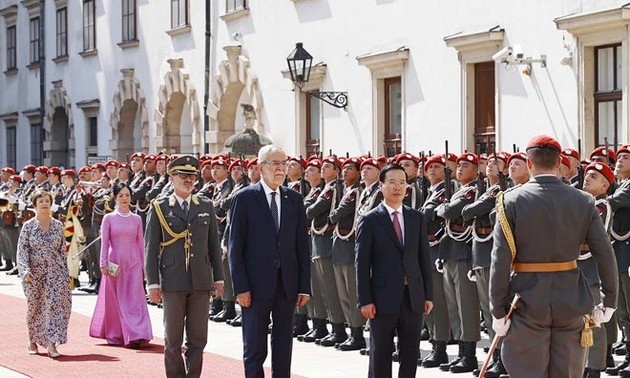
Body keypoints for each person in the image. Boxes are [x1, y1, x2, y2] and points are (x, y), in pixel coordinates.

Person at [490, 135, 619, 377]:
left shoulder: (509, 199)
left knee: (528, 371)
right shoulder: (583, 200)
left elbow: (500, 259)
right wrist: (609, 301)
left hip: (527, 299)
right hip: (570, 296)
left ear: (529, 163)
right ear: (559, 162)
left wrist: (497, 310)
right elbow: (604, 252)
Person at [229, 144, 311, 378]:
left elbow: (302, 247)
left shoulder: (294, 199)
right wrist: (241, 287)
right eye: (275, 163)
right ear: (260, 167)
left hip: (287, 283)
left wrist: (304, 285)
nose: (281, 168)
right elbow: (236, 247)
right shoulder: (244, 198)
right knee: (254, 346)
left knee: (284, 345)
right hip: (255, 286)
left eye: (284, 163)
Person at [145, 155, 224, 378]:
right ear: (171, 178)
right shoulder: (159, 207)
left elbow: (213, 247)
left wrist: (218, 278)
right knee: (173, 339)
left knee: (198, 339)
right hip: (172, 280)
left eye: (192, 176)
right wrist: (152, 283)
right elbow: (150, 249)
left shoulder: (205, 205)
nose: (188, 180)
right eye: (183, 176)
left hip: (200, 280)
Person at [355, 164, 433, 378]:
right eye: (391, 182)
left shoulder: (416, 218)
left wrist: (427, 294)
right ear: (381, 186)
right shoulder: (370, 219)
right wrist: (365, 300)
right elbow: (361, 264)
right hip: (382, 299)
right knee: (380, 354)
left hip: (412, 297)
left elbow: (424, 259)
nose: (397, 187)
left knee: (410, 355)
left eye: (402, 182)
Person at [89, 183, 153, 347]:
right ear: (115, 198)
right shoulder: (108, 218)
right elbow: (105, 242)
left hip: (133, 263)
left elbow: (141, 243)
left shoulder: (137, 218)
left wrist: (145, 268)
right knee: (116, 300)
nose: (125, 198)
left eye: (127, 195)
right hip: (114, 263)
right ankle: (117, 333)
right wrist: (103, 263)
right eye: (121, 196)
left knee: (134, 299)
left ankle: (137, 334)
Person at [17, 190, 71, 358]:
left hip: (55, 274)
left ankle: (52, 344)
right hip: (34, 275)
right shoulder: (28, 226)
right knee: (36, 308)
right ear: (35, 204)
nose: (44, 203)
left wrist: (65, 274)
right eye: (40, 201)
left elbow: (62, 251)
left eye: (47, 200)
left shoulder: (58, 225)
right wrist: (25, 271)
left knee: (55, 307)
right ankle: (32, 340)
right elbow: (22, 251)